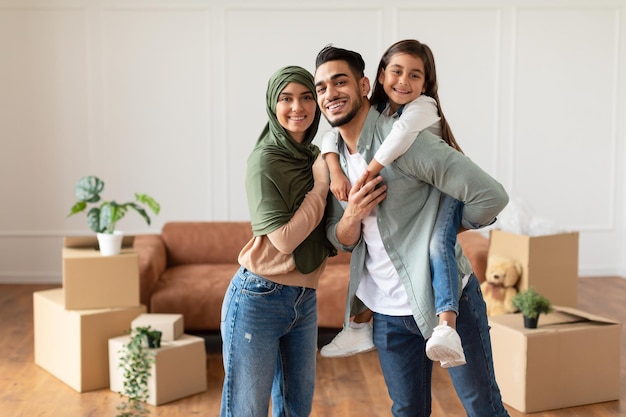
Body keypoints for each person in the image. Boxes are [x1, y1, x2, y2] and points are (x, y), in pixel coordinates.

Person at [314, 44, 511, 417]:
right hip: (385, 312)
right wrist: (352, 214)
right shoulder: (331, 159)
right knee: (407, 411)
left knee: (481, 406)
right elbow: (337, 239)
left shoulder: (407, 141)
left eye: (339, 82)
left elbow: (491, 197)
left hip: (445, 300)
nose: (330, 94)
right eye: (321, 87)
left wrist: (441, 228)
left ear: (364, 85)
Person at [320, 40, 467, 368]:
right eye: (396, 72)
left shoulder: (422, 108)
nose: (404, 81)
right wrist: (334, 171)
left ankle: (447, 326)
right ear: (381, 74)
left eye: (415, 75)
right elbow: (329, 134)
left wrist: (369, 170)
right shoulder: (376, 112)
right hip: (390, 303)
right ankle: (357, 325)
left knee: (436, 245)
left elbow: (400, 137)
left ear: (426, 84)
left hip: (446, 191)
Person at [220, 65, 335, 417]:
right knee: (246, 410)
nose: (297, 107)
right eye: (286, 98)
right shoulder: (265, 160)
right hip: (259, 298)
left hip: (305, 299)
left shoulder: (318, 156)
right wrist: (320, 187)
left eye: (306, 97)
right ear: (273, 105)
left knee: (296, 410)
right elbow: (284, 241)